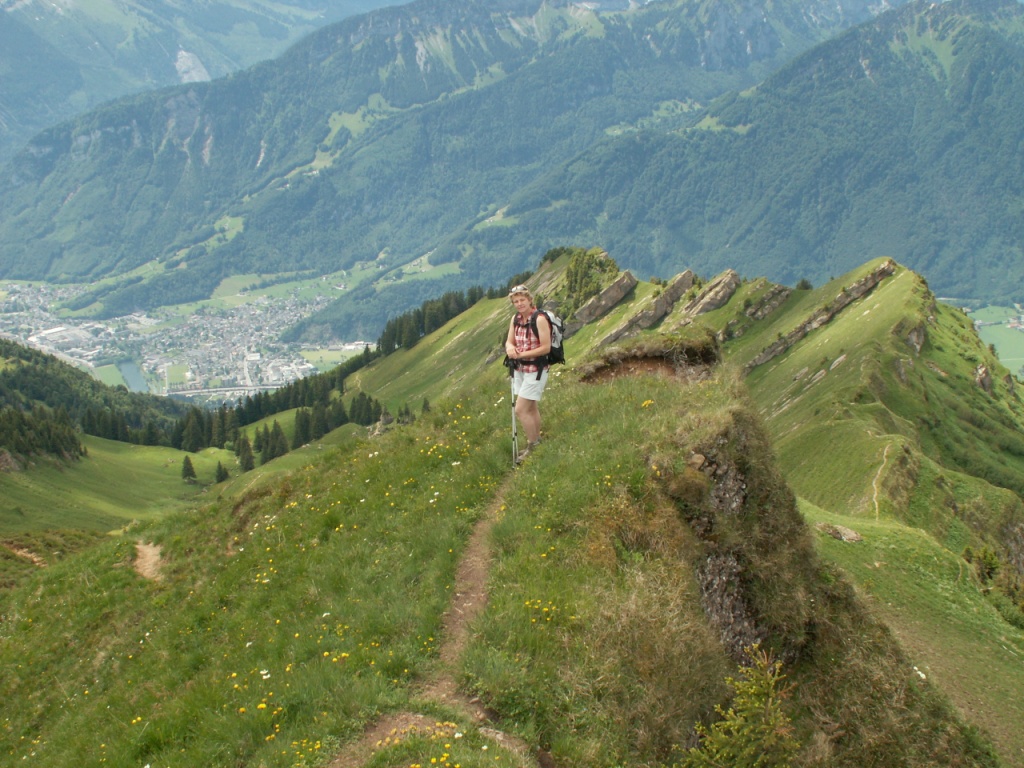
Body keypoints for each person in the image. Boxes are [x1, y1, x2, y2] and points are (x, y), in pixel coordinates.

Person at [505, 284, 551, 464]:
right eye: (516, 301)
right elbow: (509, 341)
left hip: (536, 370)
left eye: (522, 300)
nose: (519, 304)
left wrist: (521, 354)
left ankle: (533, 445)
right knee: (531, 408)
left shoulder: (539, 319)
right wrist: (510, 349)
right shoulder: (515, 319)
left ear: (530, 300)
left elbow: (545, 348)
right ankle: (537, 439)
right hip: (521, 370)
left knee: (521, 409)